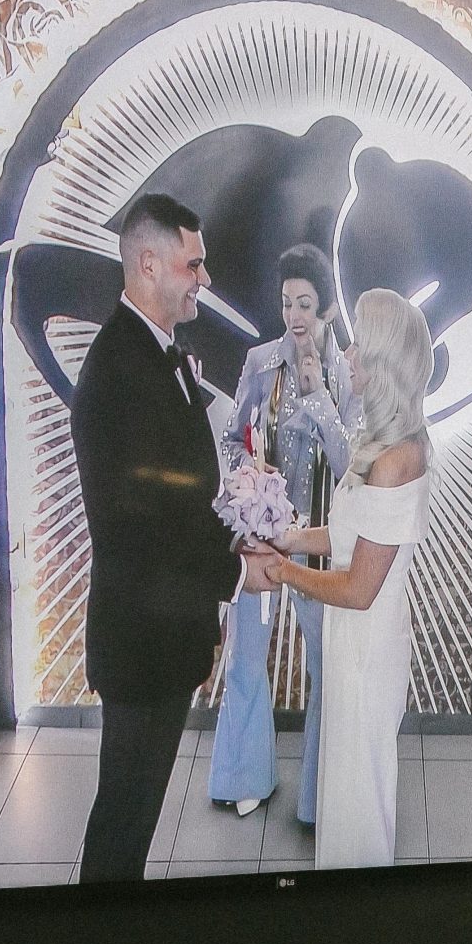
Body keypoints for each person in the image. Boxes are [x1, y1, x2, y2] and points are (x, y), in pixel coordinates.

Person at [73, 192, 271, 881]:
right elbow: (143, 527)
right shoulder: (121, 370)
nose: (205, 280)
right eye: (195, 264)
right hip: (141, 637)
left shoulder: (156, 354)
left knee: (133, 816)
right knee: (123, 818)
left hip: (165, 629)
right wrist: (239, 573)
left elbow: (180, 491)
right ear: (150, 263)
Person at [245, 288, 433, 871]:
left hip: (366, 645)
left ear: (380, 361)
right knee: (346, 787)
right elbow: (349, 533)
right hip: (355, 639)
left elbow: (358, 587)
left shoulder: (398, 458)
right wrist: (290, 537)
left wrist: (280, 571)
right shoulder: (383, 444)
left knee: (358, 798)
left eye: (358, 345)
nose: (347, 354)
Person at [206, 245, 355, 825]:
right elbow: (230, 439)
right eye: (287, 302)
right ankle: (245, 776)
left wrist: (319, 395)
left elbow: (352, 467)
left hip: (319, 543)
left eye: (307, 305)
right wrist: (249, 469)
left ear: (327, 311)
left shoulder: (347, 372)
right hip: (259, 535)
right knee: (246, 656)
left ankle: (319, 794)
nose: (295, 315)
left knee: (325, 662)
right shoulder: (258, 362)